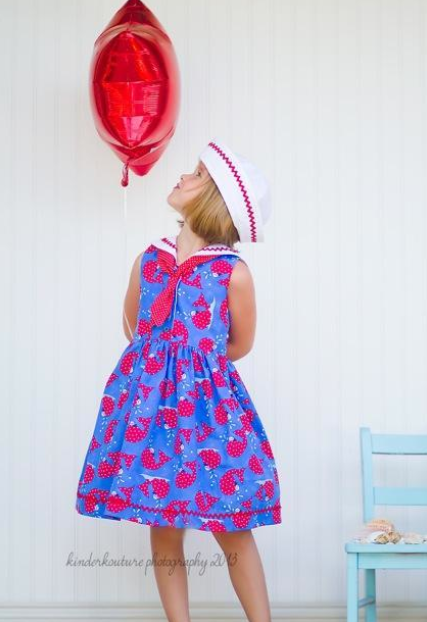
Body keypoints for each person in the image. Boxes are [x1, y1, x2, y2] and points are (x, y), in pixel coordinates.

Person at [75, 137, 282, 622]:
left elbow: (239, 344)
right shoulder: (150, 260)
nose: (183, 177)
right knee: (163, 523)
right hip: (149, 410)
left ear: (215, 199)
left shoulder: (232, 274)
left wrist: (194, 366)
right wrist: (157, 366)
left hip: (209, 414)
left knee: (229, 521)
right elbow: (133, 326)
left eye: (196, 176)